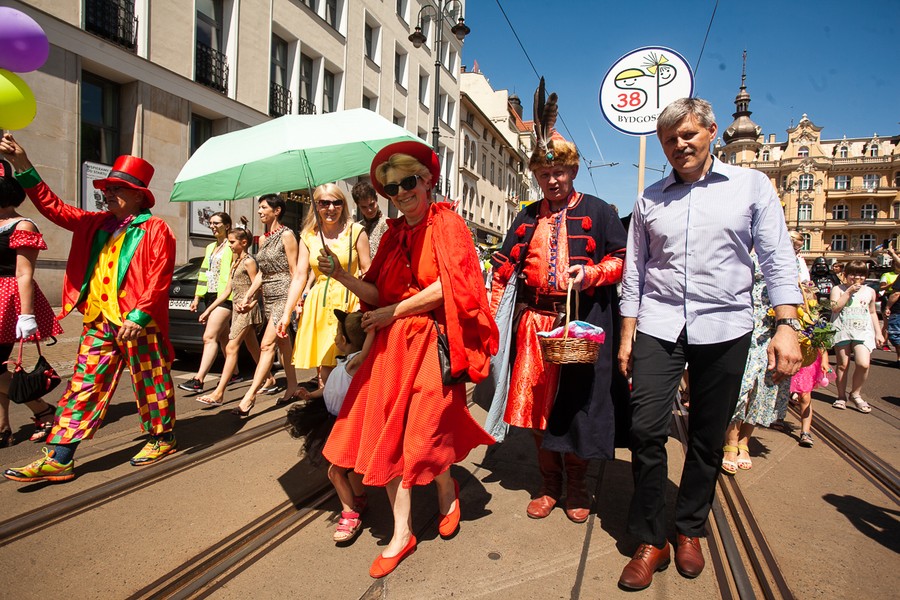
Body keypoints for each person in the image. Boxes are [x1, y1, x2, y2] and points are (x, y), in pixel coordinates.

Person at [617, 98, 802, 590]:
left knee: (707, 435)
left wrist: (787, 324)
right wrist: (627, 333)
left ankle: (689, 528)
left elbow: (777, 257)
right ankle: (651, 538)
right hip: (658, 325)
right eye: (669, 140)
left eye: (687, 135)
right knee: (645, 429)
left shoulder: (751, 186)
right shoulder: (649, 199)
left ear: (711, 132)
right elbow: (635, 272)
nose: (679, 146)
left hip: (725, 326)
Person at [320, 140, 497, 578]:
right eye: (392, 187)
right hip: (391, 350)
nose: (401, 193)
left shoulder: (448, 223)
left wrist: (392, 311)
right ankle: (403, 533)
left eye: (408, 182)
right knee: (392, 438)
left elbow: (451, 286)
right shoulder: (393, 235)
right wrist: (340, 275)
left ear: (428, 181)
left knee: (423, 434)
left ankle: (446, 490)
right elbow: (377, 293)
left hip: (431, 345)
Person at [1, 133, 177, 483]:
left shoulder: (155, 228)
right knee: (83, 385)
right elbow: (53, 207)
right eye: (107, 188)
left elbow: (160, 276)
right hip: (99, 321)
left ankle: (163, 437)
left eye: (116, 189)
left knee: (151, 381)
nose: (107, 193)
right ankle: (59, 457)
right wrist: (22, 164)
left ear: (138, 195)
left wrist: (139, 315)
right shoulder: (95, 223)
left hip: (137, 323)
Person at [488, 84, 626, 523]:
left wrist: (591, 275)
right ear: (536, 175)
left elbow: (621, 260)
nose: (552, 180)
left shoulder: (600, 211)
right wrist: (488, 317)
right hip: (532, 325)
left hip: (580, 325)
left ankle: (578, 486)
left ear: (573, 171)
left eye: (559, 172)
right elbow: (503, 268)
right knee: (534, 409)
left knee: (577, 408)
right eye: (545, 173)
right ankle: (548, 484)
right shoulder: (527, 214)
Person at [278, 184, 370, 404]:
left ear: (343, 205)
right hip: (319, 304)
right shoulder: (308, 236)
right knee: (325, 370)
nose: (331, 208)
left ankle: (348, 413)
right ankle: (328, 412)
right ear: (316, 206)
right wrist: (286, 313)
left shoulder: (356, 231)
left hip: (350, 302)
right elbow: (300, 276)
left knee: (351, 365)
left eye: (337, 202)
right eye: (324, 203)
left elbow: (367, 270)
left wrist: (367, 304)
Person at [286, 309, 373, 543]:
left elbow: (366, 352)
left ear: (344, 339)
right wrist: (310, 394)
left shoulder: (355, 362)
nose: (334, 338)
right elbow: (329, 388)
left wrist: (373, 330)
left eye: (336, 333)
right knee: (349, 468)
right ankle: (359, 498)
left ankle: (350, 515)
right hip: (332, 420)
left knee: (335, 471)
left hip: (348, 424)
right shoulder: (343, 363)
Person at [0, 159, 63, 447]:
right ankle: (3, 427)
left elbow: (24, 273)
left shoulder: (22, 224)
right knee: (0, 365)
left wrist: (27, 316)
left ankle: (43, 409)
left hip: (7, 298)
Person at [722, 256, 793, 473]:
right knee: (740, 388)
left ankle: (744, 441)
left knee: (761, 391)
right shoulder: (740, 245)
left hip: (770, 334)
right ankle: (730, 442)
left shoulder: (783, 255)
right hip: (739, 327)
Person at [232, 194, 299, 415]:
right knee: (283, 343)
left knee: (267, 345)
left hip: (284, 294)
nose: (259, 211)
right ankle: (292, 386)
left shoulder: (287, 235)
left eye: (263, 207)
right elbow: (262, 273)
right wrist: (248, 296)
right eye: (259, 207)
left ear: (277, 210)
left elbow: (294, 270)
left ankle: (249, 397)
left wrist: (296, 301)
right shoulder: (262, 239)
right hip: (268, 297)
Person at [195, 228, 267, 407]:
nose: (229, 245)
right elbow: (227, 291)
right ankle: (270, 378)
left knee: (231, 347)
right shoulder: (235, 262)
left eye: (232, 242)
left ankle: (219, 393)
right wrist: (209, 310)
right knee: (253, 348)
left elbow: (259, 287)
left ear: (244, 243)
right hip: (237, 310)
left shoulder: (249, 262)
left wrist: (251, 304)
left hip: (247, 311)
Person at [179, 212, 234, 393]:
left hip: (225, 297)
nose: (212, 226)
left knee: (209, 337)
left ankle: (198, 380)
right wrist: (197, 297)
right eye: (210, 223)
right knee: (224, 338)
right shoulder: (210, 247)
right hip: (210, 295)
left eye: (216, 223)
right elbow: (203, 273)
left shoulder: (232, 246)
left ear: (227, 226)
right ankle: (235, 373)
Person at [829, 260, 883, 413]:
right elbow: (835, 308)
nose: (857, 278)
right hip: (842, 330)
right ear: (845, 275)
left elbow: (872, 312)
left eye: (861, 275)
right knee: (842, 365)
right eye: (852, 274)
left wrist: (878, 332)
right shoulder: (838, 289)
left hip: (863, 331)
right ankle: (841, 396)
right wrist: (848, 292)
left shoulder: (869, 291)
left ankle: (855, 394)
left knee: (863, 364)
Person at [352, 180, 388, 256]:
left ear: (376, 199)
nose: (369, 210)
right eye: (364, 207)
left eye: (371, 204)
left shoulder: (388, 225)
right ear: (358, 206)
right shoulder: (357, 227)